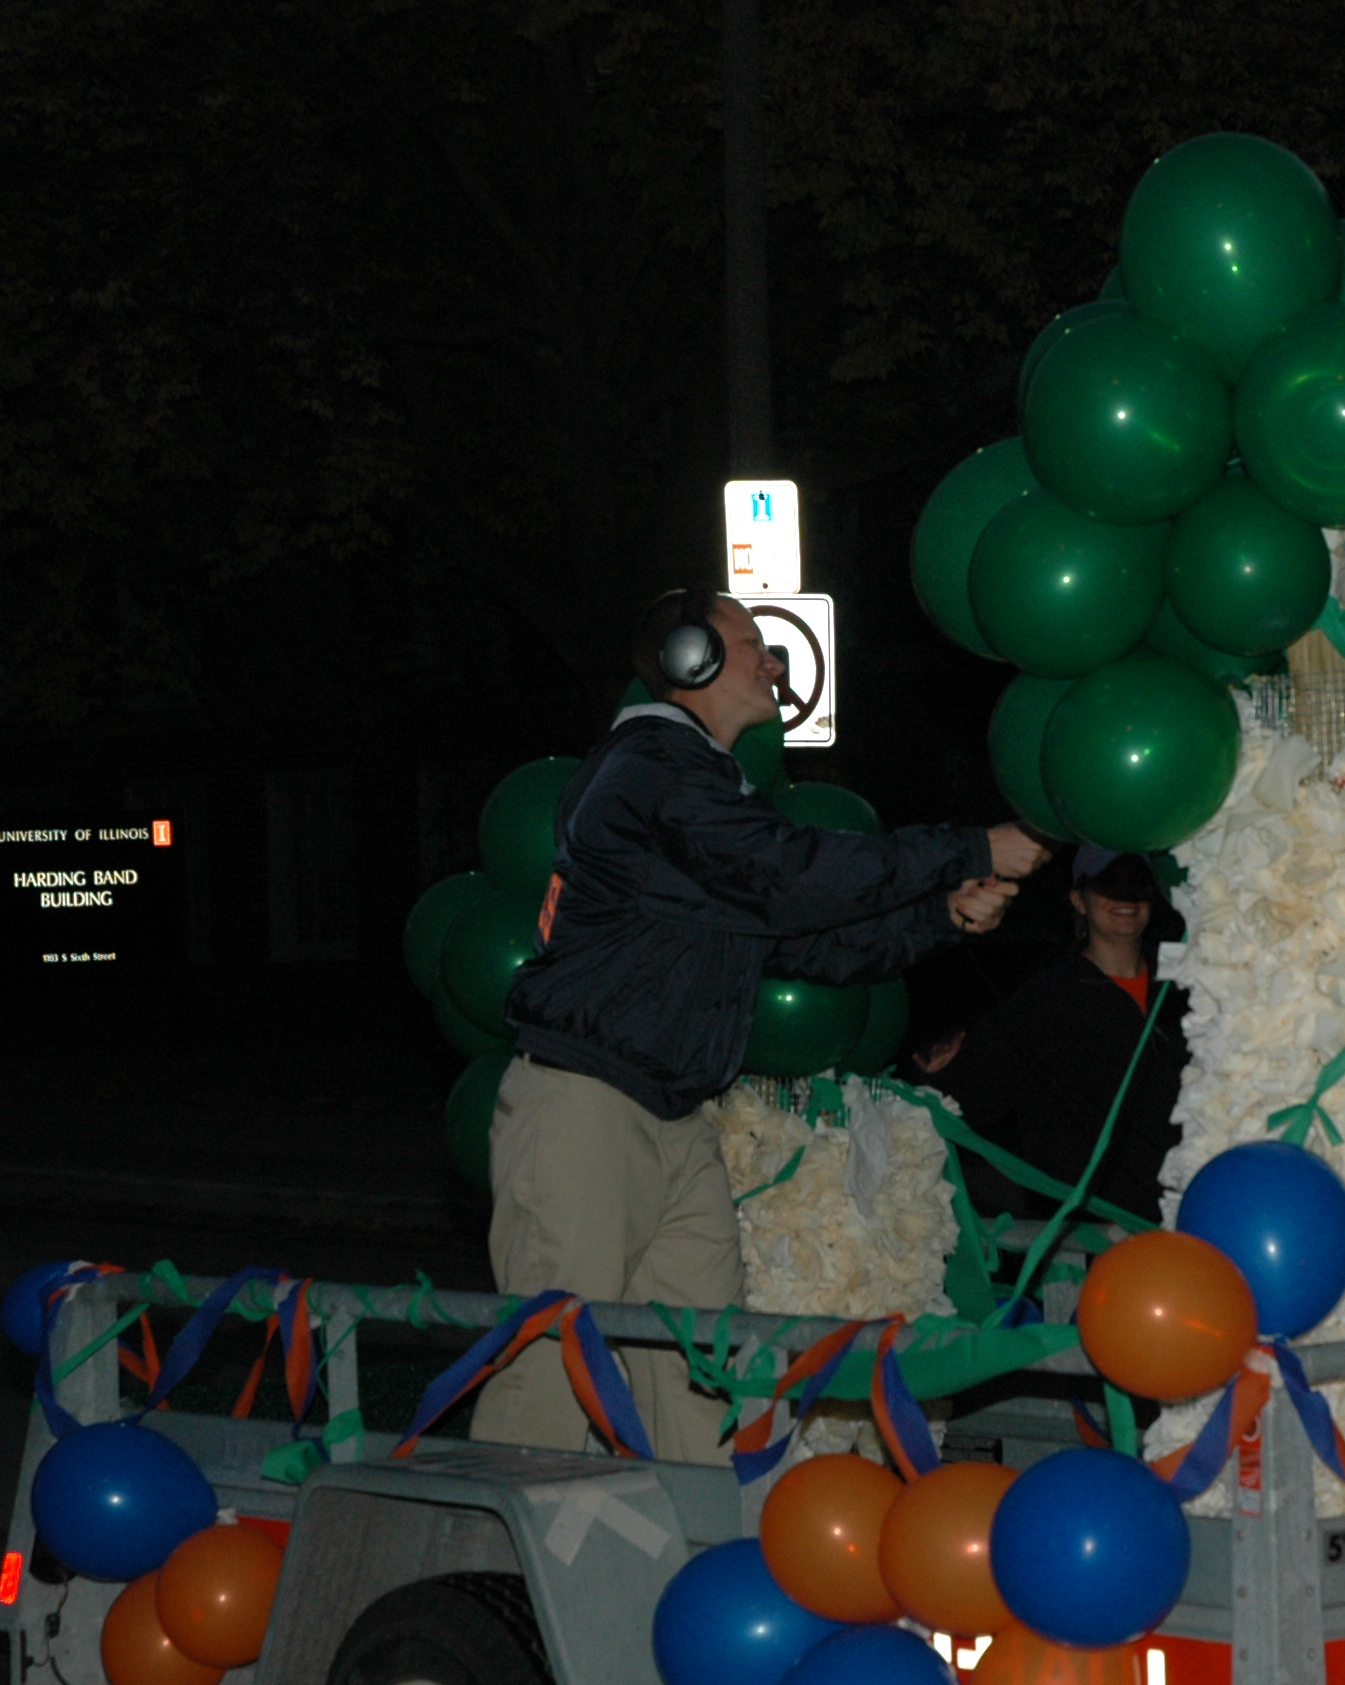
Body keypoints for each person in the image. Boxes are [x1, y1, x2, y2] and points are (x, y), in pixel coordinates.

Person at [476, 587, 1048, 1462]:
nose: (773, 663)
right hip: (585, 1106)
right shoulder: (650, 769)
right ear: (689, 659)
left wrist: (942, 916)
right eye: (751, 643)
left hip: (672, 1116)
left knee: (703, 1366)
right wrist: (969, 848)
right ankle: (487, 1547)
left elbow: (805, 943)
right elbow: (788, 876)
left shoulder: (701, 791)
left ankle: (700, 1534)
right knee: (554, 1365)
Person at [917, 843, 1189, 1226]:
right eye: (1108, 884)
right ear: (1079, 900)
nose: (1125, 898)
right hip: (1095, 1228)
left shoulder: (1187, 986)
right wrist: (938, 1076)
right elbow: (973, 1095)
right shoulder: (1047, 998)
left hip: (1192, 1210)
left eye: (1137, 883)